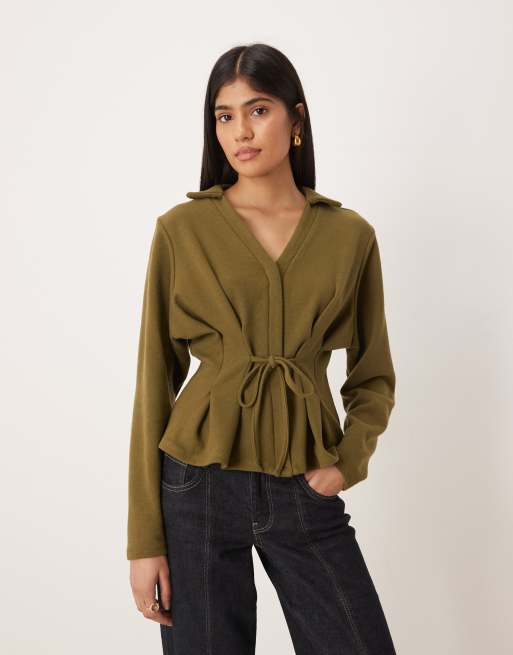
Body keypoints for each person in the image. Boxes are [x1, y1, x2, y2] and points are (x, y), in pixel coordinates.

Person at [127, 42, 397, 655]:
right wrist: (144, 541)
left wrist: (346, 463)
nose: (240, 132)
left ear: (296, 119)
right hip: (196, 486)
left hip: (304, 482)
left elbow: (373, 376)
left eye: (258, 110)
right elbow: (154, 383)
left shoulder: (349, 236)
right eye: (224, 116)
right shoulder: (182, 230)